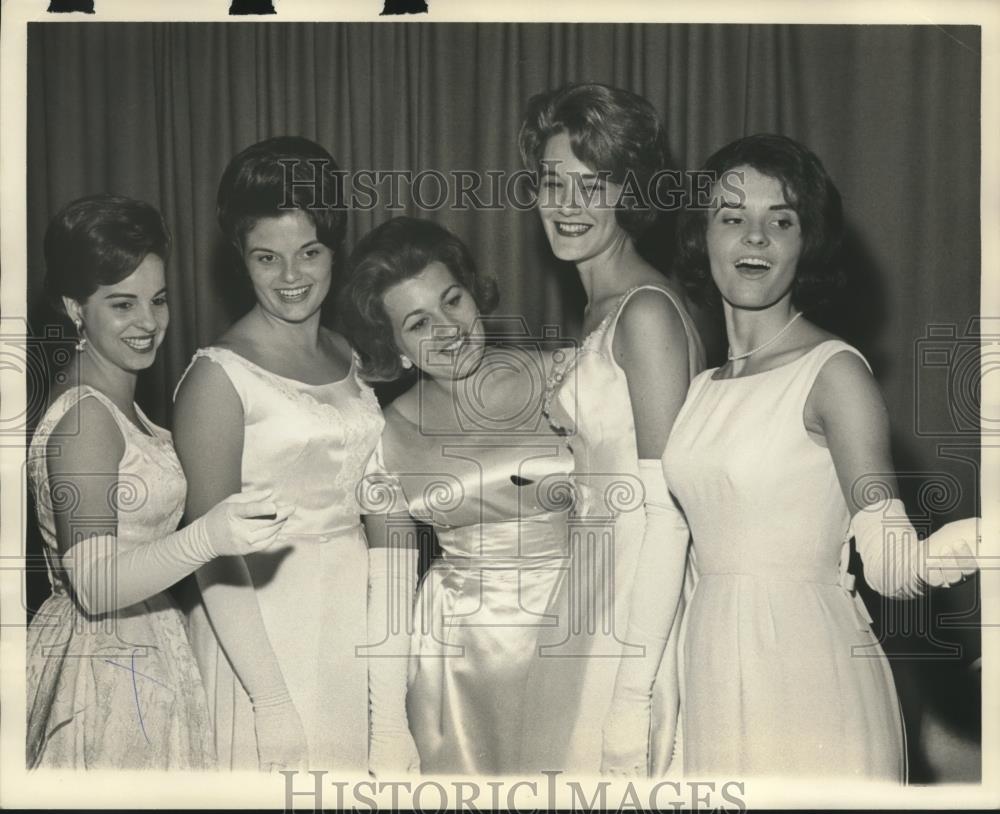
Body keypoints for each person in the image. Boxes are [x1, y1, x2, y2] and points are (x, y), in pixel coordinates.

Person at [612, 133, 979, 779]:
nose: (755, 238)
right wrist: (632, 699)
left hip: (808, 670)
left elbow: (890, 563)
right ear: (704, 237)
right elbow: (669, 542)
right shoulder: (699, 389)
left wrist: (965, 544)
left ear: (805, 243)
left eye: (780, 221)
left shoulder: (833, 373)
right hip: (714, 668)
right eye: (733, 218)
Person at [27, 194, 289, 769]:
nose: (148, 322)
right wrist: (209, 536)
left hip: (150, 646)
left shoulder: (126, 407)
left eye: (159, 299)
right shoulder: (84, 419)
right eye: (122, 304)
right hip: (102, 669)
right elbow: (94, 587)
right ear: (75, 308)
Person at [172, 137, 384, 773]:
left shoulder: (348, 353)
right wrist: (269, 701)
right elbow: (209, 549)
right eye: (268, 257)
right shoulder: (218, 377)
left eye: (308, 253)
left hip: (351, 622)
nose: (291, 277)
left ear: (333, 251)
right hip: (259, 637)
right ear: (241, 257)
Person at [515, 82, 706, 775]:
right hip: (593, 585)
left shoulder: (647, 315)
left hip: (637, 605)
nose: (566, 206)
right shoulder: (601, 308)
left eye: (591, 186)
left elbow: (670, 513)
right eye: (551, 182)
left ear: (629, 192)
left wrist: (632, 695)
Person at [340, 216, 575, 776]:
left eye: (453, 300)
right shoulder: (386, 434)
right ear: (393, 347)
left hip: (578, 625)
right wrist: (386, 730)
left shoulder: (566, 375)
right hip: (458, 655)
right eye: (419, 323)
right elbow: (390, 589)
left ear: (475, 293)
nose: (449, 329)